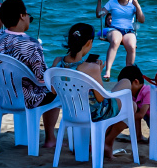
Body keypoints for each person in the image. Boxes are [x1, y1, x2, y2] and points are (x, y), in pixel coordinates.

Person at [0, 0, 59, 149]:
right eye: (28, 15)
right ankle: (50, 138)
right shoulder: (30, 44)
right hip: (28, 99)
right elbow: (41, 77)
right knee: (53, 89)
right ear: (22, 16)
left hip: (2, 97)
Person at [51, 22, 122, 159]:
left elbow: (54, 91)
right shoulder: (90, 68)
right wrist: (98, 72)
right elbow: (101, 98)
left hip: (70, 112)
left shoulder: (57, 62)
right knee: (130, 103)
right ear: (89, 43)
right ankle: (107, 142)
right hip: (92, 114)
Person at [96, 0, 145, 80]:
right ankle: (108, 71)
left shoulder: (132, 3)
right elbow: (99, 15)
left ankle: (128, 72)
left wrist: (138, 6)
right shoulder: (112, 2)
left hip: (128, 30)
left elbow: (141, 20)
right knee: (115, 41)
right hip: (114, 29)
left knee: (132, 46)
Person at [108, 65, 151, 143]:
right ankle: (138, 136)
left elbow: (141, 114)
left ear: (136, 82)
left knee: (155, 140)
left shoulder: (147, 91)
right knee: (133, 111)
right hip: (150, 120)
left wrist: (122, 120)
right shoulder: (134, 93)